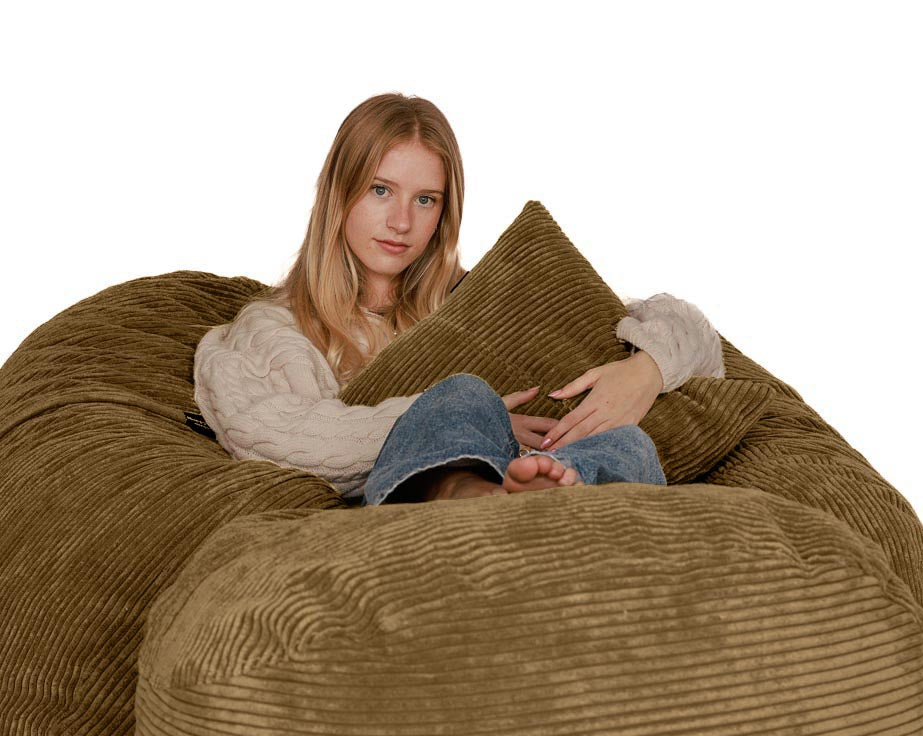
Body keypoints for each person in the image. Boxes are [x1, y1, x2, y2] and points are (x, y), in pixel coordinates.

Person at [193, 93, 726, 507]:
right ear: (339, 193)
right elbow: (269, 435)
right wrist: (471, 422)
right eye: (381, 190)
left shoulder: (477, 296)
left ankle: (547, 500)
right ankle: (478, 497)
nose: (402, 222)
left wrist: (646, 372)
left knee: (628, 446)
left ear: (444, 213)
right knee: (463, 395)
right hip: (414, 497)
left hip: (535, 472)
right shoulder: (273, 329)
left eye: (425, 200)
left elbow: (693, 332)